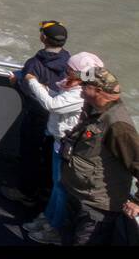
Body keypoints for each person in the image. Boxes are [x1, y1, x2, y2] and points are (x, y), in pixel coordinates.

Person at [16, 52, 104, 245]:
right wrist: (47, 88)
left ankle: (55, 229)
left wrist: (32, 81)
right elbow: (57, 97)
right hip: (59, 142)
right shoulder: (72, 86)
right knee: (57, 187)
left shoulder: (79, 93)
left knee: (62, 189)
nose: (67, 69)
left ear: (80, 72)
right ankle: (48, 219)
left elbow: (52, 105)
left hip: (68, 147)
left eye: (70, 68)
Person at [59, 67, 139, 245]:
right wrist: (77, 79)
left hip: (96, 207)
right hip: (79, 194)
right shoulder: (95, 108)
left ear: (99, 91)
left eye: (84, 84)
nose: (80, 86)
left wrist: (136, 201)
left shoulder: (118, 125)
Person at [3, 21, 72, 207]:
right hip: (59, 121)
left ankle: (27, 193)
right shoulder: (70, 63)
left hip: (37, 119)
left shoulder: (34, 64)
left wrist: (15, 82)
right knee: (50, 157)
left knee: (30, 155)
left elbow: (29, 92)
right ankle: (46, 191)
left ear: (43, 38)